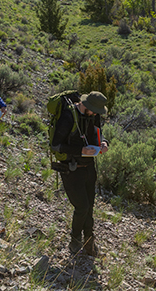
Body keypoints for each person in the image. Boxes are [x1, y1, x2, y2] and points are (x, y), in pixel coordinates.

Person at [50, 91, 109, 256]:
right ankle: (75, 240)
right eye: (94, 110)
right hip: (71, 168)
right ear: (87, 105)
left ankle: (89, 242)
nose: (96, 114)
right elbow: (56, 145)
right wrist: (81, 150)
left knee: (89, 207)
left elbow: (98, 133)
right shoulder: (68, 116)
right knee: (82, 207)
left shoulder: (93, 115)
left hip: (89, 167)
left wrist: (104, 143)